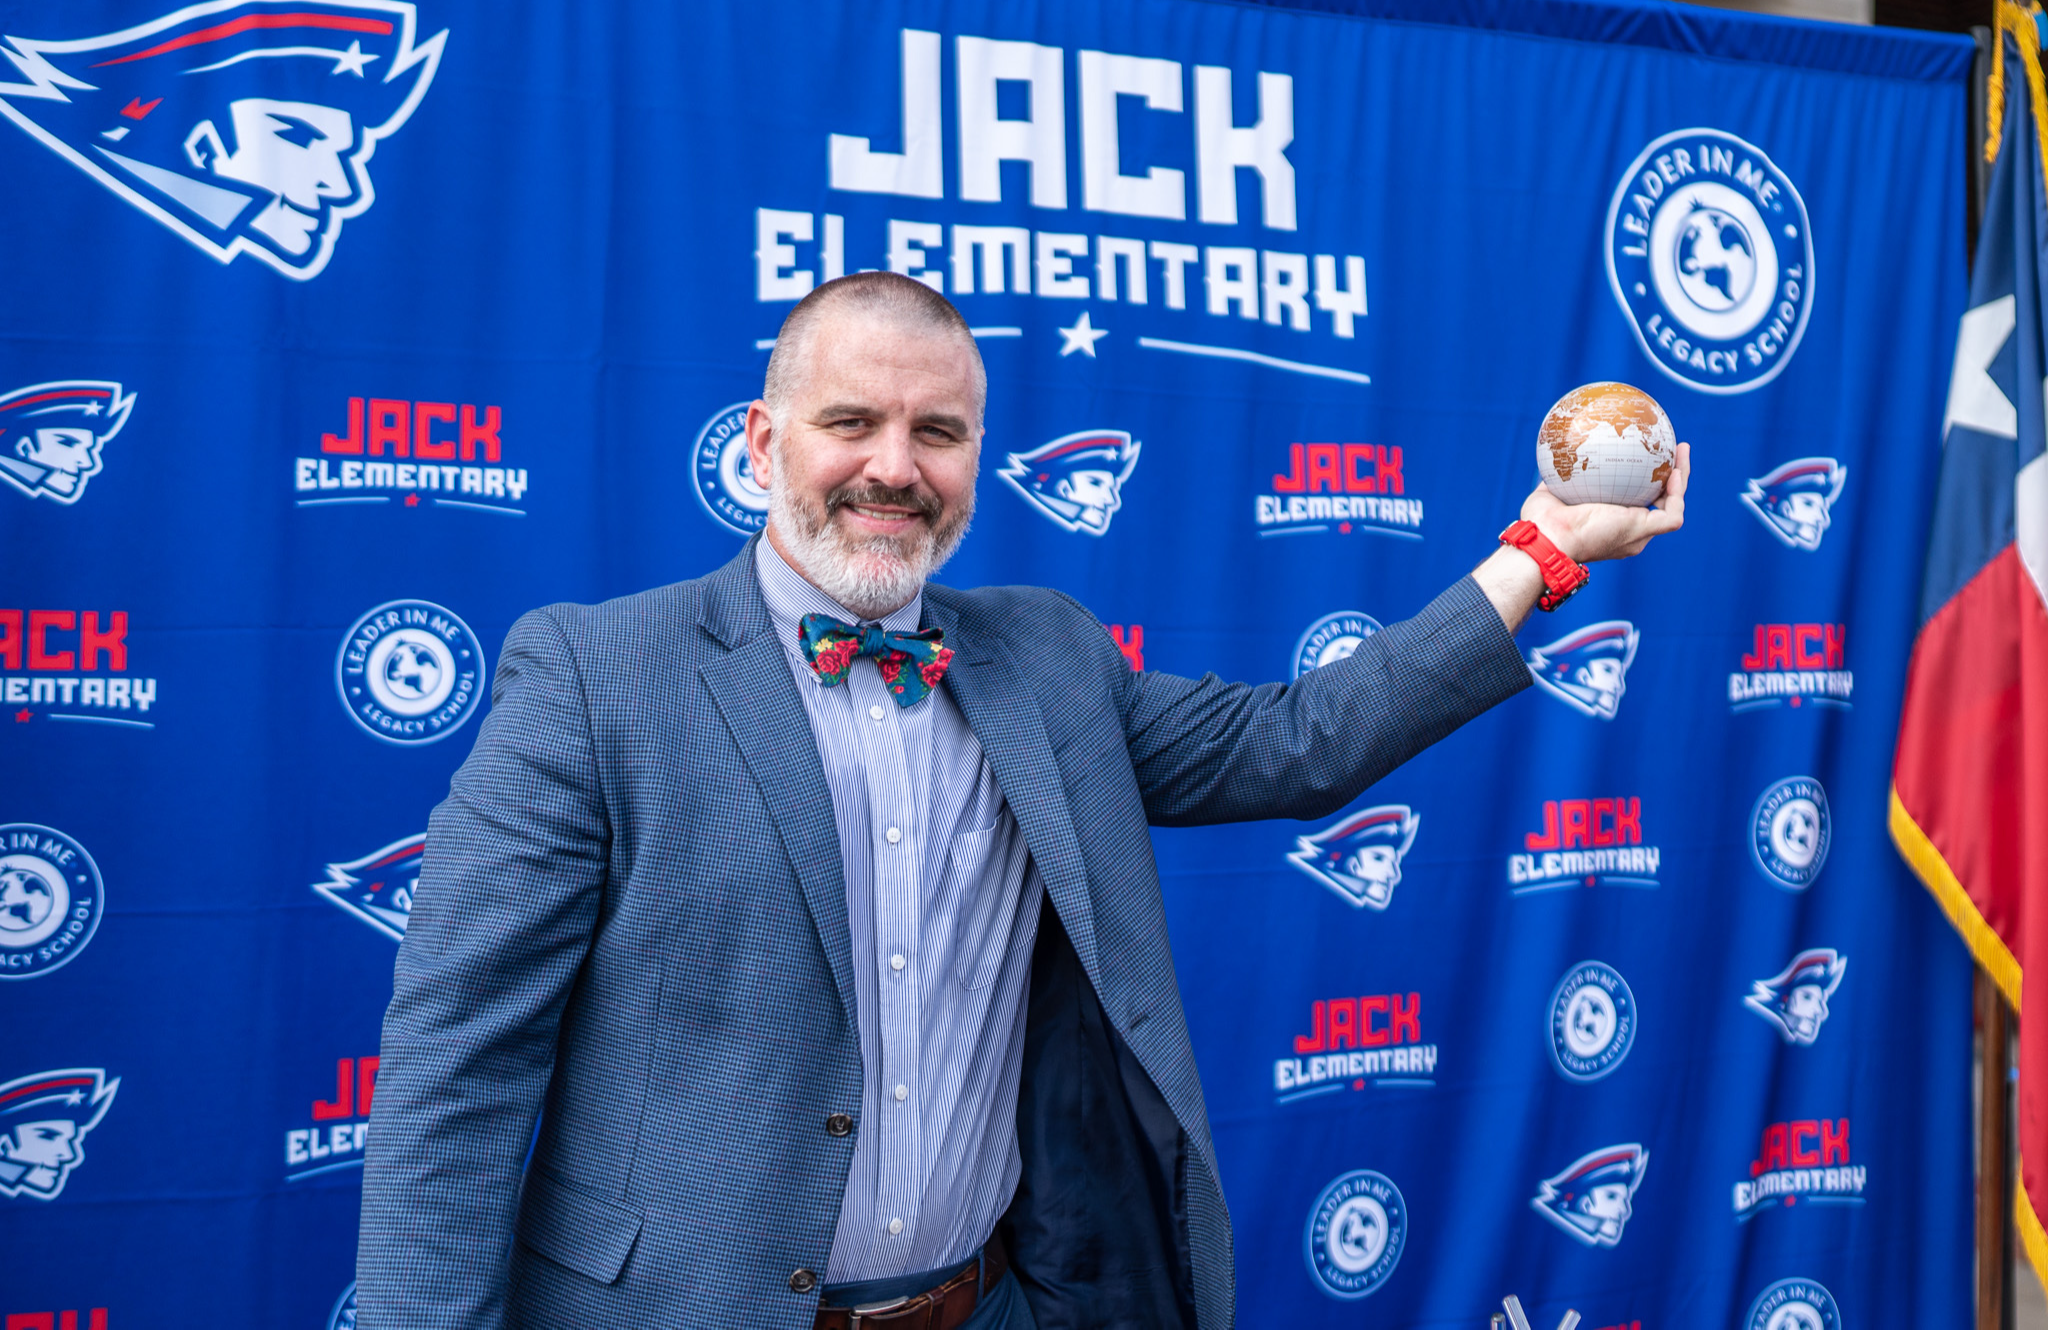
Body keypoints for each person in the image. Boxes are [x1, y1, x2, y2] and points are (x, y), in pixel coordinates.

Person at [356, 271, 1687, 1330]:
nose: (893, 467)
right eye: (849, 424)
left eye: (936, 432)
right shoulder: (597, 677)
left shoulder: (1045, 656)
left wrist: (1543, 553)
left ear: (978, 453)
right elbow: (453, 1075)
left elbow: (1303, 742)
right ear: (764, 441)